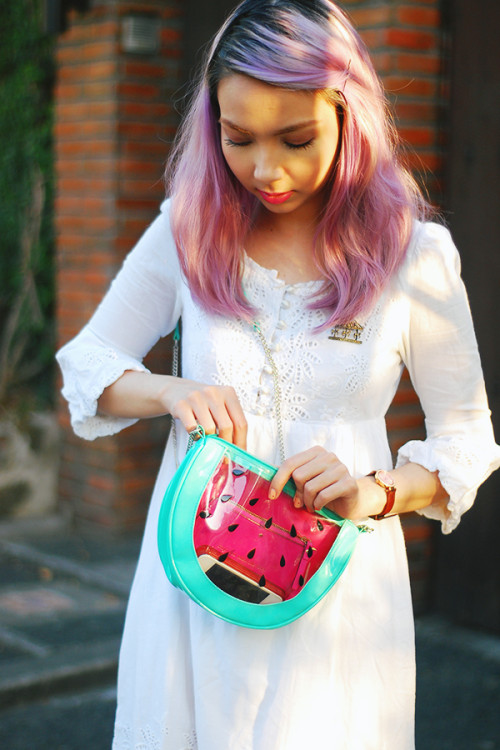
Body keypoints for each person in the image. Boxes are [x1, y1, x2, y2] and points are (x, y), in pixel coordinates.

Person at [56, 1, 500, 747]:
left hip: (338, 598)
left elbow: (467, 440)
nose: (267, 170)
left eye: (297, 139)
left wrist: (374, 491)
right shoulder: (190, 229)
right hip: (195, 582)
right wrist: (169, 391)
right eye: (238, 139)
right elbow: (87, 367)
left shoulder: (413, 255)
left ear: (347, 116)